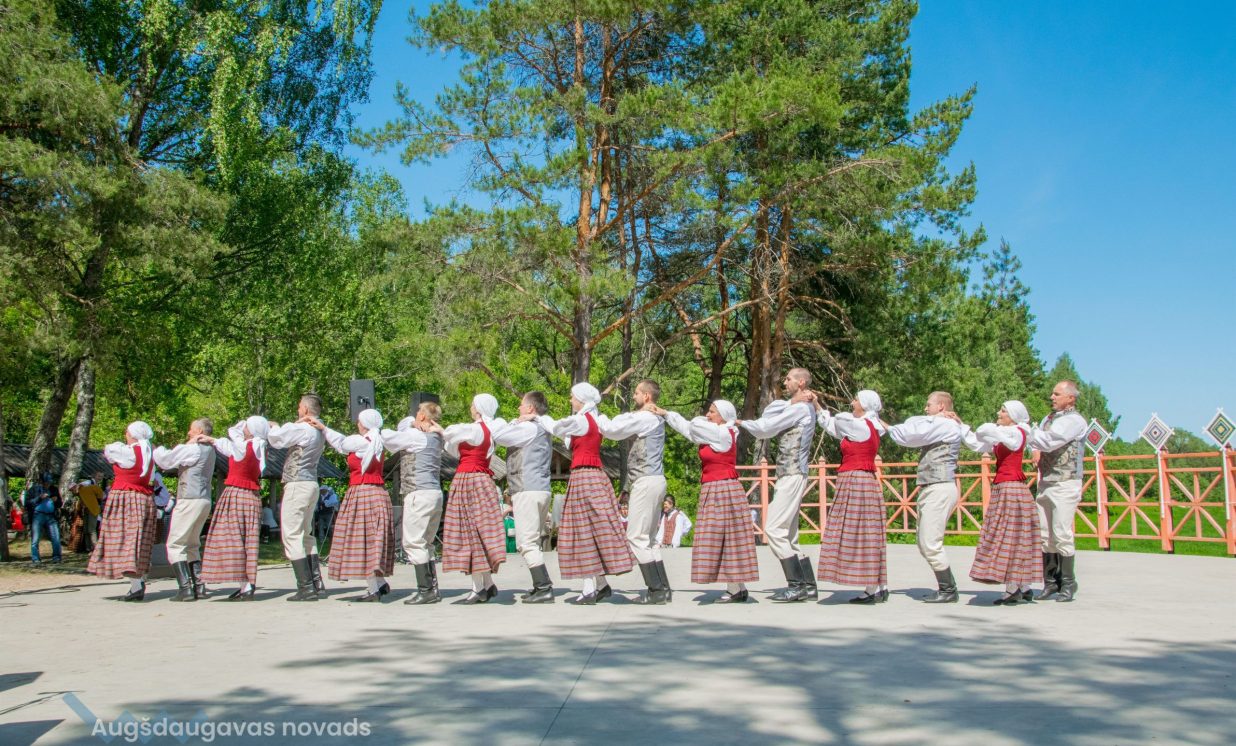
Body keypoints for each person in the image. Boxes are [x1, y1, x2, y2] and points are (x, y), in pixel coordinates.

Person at [538, 382, 634, 604]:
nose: (570, 400)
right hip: (593, 475)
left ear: (581, 399)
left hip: (584, 477)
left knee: (582, 530)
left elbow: (557, 427)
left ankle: (589, 589)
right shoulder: (593, 419)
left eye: (572, 397)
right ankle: (600, 585)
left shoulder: (581, 420)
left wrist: (538, 418)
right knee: (590, 529)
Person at [661, 400, 759, 603]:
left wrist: (687, 418)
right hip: (717, 488)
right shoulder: (714, 432)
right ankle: (738, 587)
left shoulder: (722, 433)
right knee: (727, 536)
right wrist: (666, 414)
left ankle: (735, 589)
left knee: (725, 537)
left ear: (723, 416)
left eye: (712, 412)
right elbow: (688, 429)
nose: (707, 414)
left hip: (722, 489)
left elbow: (694, 425)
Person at [738, 368, 818, 601]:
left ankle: (796, 585)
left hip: (792, 473)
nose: (785, 382)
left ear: (801, 382)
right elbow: (771, 411)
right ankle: (808, 586)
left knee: (773, 529)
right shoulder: (795, 406)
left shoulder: (801, 409)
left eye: (789, 378)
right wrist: (793, 400)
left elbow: (766, 428)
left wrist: (741, 422)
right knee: (789, 536)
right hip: (791, 473)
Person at [884, 392, 966, 603]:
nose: (925, 409)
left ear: (941, 406)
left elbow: (911, 435)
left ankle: (949, 589)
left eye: (928, 405)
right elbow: (914, 425)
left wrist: (887, 426)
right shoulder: (938, 423)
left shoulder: (946, 425)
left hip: (940, 486)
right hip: (931, 486)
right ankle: (946, 588)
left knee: (930, 542)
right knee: (923, 542)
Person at [957, 401, 1042, 605]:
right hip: (1004, 487)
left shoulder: (1018, 432)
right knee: (1012, 535)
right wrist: (960, 425)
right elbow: (977, 443)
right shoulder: (1004, 434)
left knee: (1010, 535)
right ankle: (1024, 587)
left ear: (1013, 416)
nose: (999, 413)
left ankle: (1014, 588)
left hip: (1012, 488)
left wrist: (995, 430)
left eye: (1003, 411)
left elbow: (1007, 441)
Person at [307, 409, 395, 602]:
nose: (357, 424)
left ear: (365, 424)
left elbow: (341, 443)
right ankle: (380, 584)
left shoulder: (361, 442)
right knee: (372, 539)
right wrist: (323, 428)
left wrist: (324, 429)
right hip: (378, 493)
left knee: (364, 540)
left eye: (359, 422)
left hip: (363, 493)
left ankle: (373, 589)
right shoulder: (377, 441)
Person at [812, 389, 889, 604]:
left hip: (856, 480)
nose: (852, 402)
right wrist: (817, 406)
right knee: (869, 532)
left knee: (861, 532)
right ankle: (878, 586)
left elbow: (838, 421)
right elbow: (831, 425)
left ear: (864, 405)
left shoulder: (859, 426)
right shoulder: (868, 426)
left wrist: (820, 408)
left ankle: (872, 588)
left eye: (856, 399)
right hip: (862, 480)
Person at [598, 380, 671, 604]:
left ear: (647, 396)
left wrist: (597, 414)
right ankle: (663, 588)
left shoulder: (646, 417)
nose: (633, 396)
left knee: (635, 537)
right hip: (654, 479)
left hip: (646, 480)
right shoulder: (649, 417)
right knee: (649, 539)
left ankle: (656, 590)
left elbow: (612, 430)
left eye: (637, 393)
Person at [441, 394, 509, 604]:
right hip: (480, 480)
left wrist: (438, 429)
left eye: (473, 405)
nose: (470, 407)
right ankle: (487, 584)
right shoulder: (485, 429)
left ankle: (478, 587)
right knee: (476, 532)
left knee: (470, 532)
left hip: (470, 480)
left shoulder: (476, 429)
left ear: (478, 408)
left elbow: (451, 434)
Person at [381, 402, 447, 606]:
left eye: (418, 412)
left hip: (419, 492)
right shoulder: (437, 437)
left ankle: (426, 590)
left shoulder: (416, 436)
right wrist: (412, 422)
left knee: (413, 542)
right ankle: (432, 588)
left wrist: (411, 424)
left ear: (422, 417)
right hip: (435, 492)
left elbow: (387, 436)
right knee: (426, 542)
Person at [198, 416, 269, 601]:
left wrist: (214, 439)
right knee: (246, 542)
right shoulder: (257, 446)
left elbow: (232, 434)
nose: (243, 427)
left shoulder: (244, 446)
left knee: (231, 539)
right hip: (252, 496)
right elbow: (229, 443)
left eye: (247, 426)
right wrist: (212, 439)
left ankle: (246, 585)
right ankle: (246, 584)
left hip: (237, 494)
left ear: (251, 430)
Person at [496, 391, 557, 604]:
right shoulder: (541, 428)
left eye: (521, 405)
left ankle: (544, 587)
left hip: (527, 489)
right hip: (541, 488)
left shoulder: (527, 428)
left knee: (526, 542)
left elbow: (500, 436)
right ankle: (539, 586)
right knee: (534, 540)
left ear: (530, 408)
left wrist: (514, 421)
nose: (518, 408)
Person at [87, 421, 158, 601]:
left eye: (126, 432)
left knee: (124, 540)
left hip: (126, 498)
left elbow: (108, 450)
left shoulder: (127, 452)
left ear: (132, 434)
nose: (125, 435)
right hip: (145, 499)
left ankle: (136, 586)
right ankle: (138, 582)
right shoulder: (149, 454)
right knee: (138, 541)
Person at [267, 394, 329, 601]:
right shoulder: (319, 430)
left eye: (299, 407)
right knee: (306, 534)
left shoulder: (303, 428)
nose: (298, 410)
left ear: (306, 410)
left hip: (298, 483)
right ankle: (316, 582)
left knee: (292, 535)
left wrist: (275, 426)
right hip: (311, 483)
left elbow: (277, 440)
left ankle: (305, 587)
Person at [1031, 381, 1087, 602]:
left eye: (1057, 394)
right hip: (1046, 480)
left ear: (1070, 398)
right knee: (1045, 534)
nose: (1052, 397)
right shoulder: (1048, 418)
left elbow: (1051, 441)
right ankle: (1051, 582)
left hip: (1066, 481)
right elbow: (1039, 442)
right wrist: (1034, 447)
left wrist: (1027, 432)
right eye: (1052, 393)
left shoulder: (1074, 420)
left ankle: (1068, 583)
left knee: (1061, 532)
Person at [153, 418, 217, 602]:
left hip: (189, 498)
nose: (188, 433)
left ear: (199, 431)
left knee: (175, 544)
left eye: (191, 430)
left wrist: (156, 449)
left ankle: (185, 588)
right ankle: (199, 586)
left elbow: (166, 461)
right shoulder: (210, 449)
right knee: (192, 544)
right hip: (204, 498)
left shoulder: (193, 448)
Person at [29, 484, 62, 564]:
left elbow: (60, 503)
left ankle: (56, 557)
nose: (48, 484)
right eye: (46, 482)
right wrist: (39, 498)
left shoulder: (54, 489)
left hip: (51, 516)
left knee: (56, 537)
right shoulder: (34, 489)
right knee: (35, 538)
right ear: (42, 481)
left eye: (49, 482)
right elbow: (28, 503)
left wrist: (56, 501)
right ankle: (35, 558)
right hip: (38, 515)